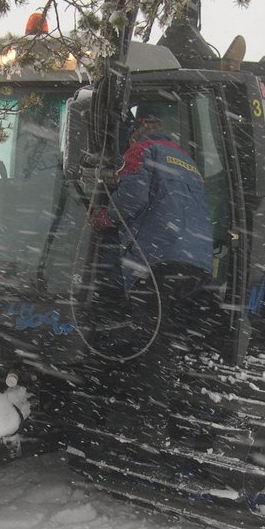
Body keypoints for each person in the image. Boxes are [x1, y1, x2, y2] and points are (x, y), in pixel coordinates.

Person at [88, 116, 213, 353]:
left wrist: (106, 216)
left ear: (133, 137)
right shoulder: (186, 160)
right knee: (162, 327)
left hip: (158, 255)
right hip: (196, 259)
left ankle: (151, 385)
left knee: (148, 334)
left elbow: (133, 197)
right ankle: (162, 376)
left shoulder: (140, 150)